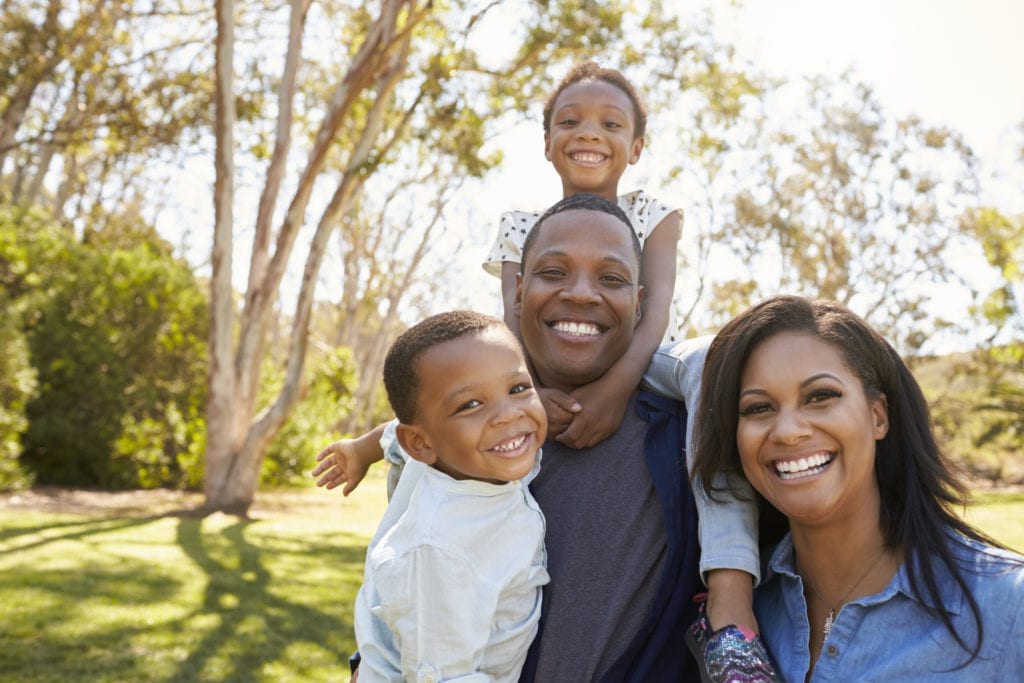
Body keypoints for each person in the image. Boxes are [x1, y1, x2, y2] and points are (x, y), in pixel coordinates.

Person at [320, 193, 775, 682]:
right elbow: (408, 618)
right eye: (554, 272)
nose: (581, 293)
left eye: (612, 277)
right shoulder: (452, 442)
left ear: (640, 304)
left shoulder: (685, 437)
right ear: (517, 293)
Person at [690, 294, 1024, 681]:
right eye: (758, 408)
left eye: (820, 397)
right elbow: (670, 362)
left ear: (878, 415)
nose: (788, 431)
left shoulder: (1007, 605)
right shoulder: (730, 611)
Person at [483, 61, 683, 450]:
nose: (589, 134)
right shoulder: (520, 226)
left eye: (610, 125)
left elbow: (657, 306)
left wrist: (615, 391)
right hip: (548, 371)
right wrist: (531, 392)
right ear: (546, 142)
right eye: (570, 122)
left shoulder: (654, 215)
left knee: (706, 370)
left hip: (647, 366)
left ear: (636, 148)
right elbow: (514, 314)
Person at [353, 310, 549, 682]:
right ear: (422, 444)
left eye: (518, 388)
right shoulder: (440, 551)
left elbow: (397, 436)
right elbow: (440, 676)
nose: (508, 415)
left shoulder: (478, 465)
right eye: (471, 405)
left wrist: (359, 451)